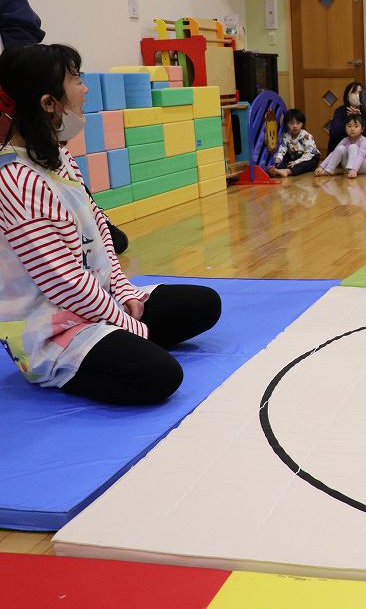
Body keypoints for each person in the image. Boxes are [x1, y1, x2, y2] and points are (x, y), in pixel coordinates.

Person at [0, 43, 220, 404]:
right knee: (161, 376)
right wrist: (129, 325)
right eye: (76, 80)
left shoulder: (57, 154)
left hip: (98, 300)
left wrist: (124, 292)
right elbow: (63, 284)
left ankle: (119, 339)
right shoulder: (16, 181)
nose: (84, 89)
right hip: (53, 327)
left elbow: (100, 231)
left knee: (203, 304)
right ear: (49, 103)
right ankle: (68, 365)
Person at [327, 81, 366, 164]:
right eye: (354, 92)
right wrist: (349, 120)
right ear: (347, 97)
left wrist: (360, 119)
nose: (357, 95)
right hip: (343, 155)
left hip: (364, 155)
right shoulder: (340, 111)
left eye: (360, 92)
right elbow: (334, 132)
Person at [268, 108, 320, 177]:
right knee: (284, 164)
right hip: (295, 158)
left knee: (306, 164)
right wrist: (278, 159)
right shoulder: (286, 136)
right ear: (286, 124)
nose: (295, 126)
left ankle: (287, 171)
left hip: (310, 157)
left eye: (298, 123)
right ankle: (276, 170)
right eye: (291, 123)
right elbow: (282, 148)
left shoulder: (306, 136)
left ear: (302, 124)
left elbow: (309, 152)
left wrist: (296, 162)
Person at [316, 113, 366, 178]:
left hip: (363, 166)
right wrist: (322, 167)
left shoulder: (364, 140)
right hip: (348, 168)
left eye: (356, 126)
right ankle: (329, 170)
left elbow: (361, 156)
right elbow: (334, 153)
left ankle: (352, 170)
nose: (352, 129)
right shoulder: (345, 140)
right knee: (340, 148)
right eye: (349, 126)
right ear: (345, 128)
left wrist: (354, 169)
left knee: (353, 146)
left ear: (362, 129)